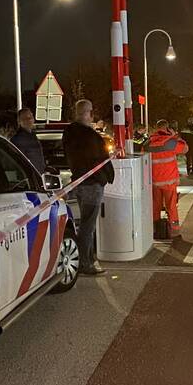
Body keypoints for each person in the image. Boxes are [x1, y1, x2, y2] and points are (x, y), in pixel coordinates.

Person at [62, 99, 115, 276]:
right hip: (92, 185)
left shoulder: (69, 132)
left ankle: (89, 259)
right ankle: (84, 263)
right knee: (88, 226)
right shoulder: (89, 135)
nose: (93, 115)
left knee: (85, 223)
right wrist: (105, 177)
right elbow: (99, 158)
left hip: (79, 183)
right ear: (87, 113)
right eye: (91, 112)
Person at [146, 119, 189, 238]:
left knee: (155, 206)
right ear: (167, 128)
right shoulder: (170, 142)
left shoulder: (148, 143)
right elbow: (185, 149)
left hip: (154, 182)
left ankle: (155, 230)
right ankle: (174, 232)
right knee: (171, 207)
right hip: (169, 182)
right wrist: (175, 135)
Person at [9, 108, 46, 174]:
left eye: (31, 117)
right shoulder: (18, 139)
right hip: (29, 178)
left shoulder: (33, 136)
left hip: (38, 176)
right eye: (26, 118)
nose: (30, 120)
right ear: (19, 121)